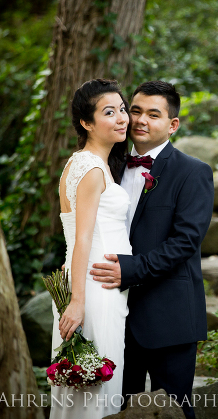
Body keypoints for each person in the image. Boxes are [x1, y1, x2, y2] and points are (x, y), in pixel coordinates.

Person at [89, 80, 214, 419]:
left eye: (153, 114)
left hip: (169, 315)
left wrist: (130, 270)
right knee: (116, 409)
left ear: (172, 124)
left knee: (172, 412)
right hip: (114, 315)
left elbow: (186, 242)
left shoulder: (193, 172)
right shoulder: (107, 166)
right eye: (136, 111)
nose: (141, 120)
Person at [50, 79, 132, 418]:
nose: (122, 118)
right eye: (109, 112)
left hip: (94, 283)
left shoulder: (86, 164)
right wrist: (78, 303)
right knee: (93, 389)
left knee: (88, 386)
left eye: (122, 109)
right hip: (93, 288)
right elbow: (82, 238)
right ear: (86, 123)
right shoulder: (91, 168)